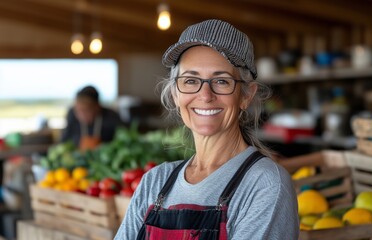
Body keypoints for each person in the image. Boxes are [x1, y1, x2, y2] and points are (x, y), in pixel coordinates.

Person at [115, 19, 299, 239]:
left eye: (221, 81)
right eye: (191, 80)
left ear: (246, 95)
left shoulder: (264, 184)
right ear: (175, 94)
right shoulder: (154, 182)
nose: (205, 96)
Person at [60, 85, 123, 151]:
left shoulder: (111, 117)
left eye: (86, 111)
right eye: (78, 111)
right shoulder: (72, 115)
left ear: (97, 107)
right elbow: (64, 140)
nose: (81, 115)